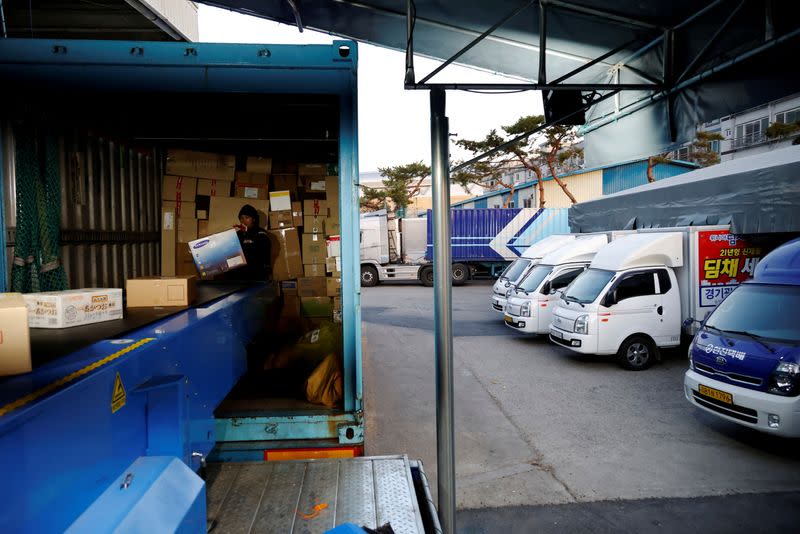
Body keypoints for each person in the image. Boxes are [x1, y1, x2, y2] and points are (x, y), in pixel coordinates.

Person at [232, 204, 271, 280]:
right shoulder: (238, 234)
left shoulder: (261, 234)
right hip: (239, 276)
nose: (244, 221)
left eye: (247, 217)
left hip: (256, 276)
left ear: (253, 219)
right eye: (241, 218)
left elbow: (265, 256)